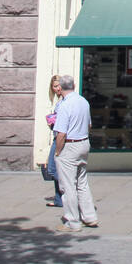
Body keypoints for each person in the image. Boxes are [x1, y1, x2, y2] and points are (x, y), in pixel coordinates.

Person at [52, 75, 98, 231]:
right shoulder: (83, 101)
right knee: (82, 183)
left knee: (67, 186)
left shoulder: (65, 105)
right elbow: (89, 125)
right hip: (83, 143)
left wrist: (57, 152)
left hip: (70, 146)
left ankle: (73, 221)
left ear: (62, 87)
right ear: (73, 85)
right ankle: (90, 217)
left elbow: (61, 134)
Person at [42, 75, 64, 208]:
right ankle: (59, 199)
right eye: (55, 86)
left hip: (60, 138)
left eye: (59, 85)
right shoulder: (60, 101)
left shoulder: (64, 101)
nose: (57, 89)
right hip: (57, 136)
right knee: (54, 168)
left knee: (53, 168)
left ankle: (64, 196)